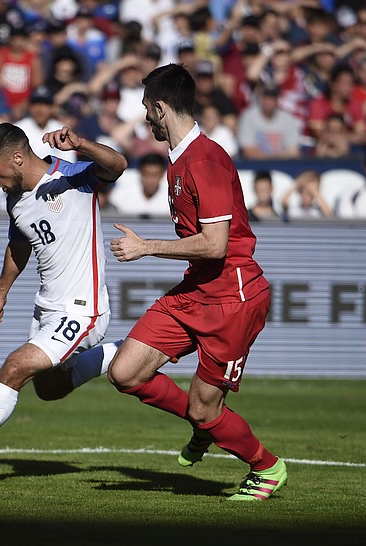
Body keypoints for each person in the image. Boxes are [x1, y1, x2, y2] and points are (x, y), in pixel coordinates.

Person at [107, 63, 287, 502]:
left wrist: (146, 247)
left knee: (205, 405)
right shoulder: (180, 161)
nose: (146, 118)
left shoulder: (205, 160)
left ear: (161, 108)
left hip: (233, 298)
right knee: (125, 372)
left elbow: (215, 244)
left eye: (147, 109)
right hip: (197, 291)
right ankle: (202, 424)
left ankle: (266, 467)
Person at [0, 122, 128, 482]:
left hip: (83, 309)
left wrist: (80, 143)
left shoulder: (73, 177)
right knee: (48, 389)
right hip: (46, 308)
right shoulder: (15, 199)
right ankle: (118, 353)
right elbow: (19, 246)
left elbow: (118, 164)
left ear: (17, 158)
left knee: (14, 366)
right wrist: (0, 295)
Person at [107, 153, 170, 217]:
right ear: (140, 172)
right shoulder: (121, 194)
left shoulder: (171, 197)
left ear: (162, 174)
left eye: (155, 175)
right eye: (147, 174)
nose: (150, 180)